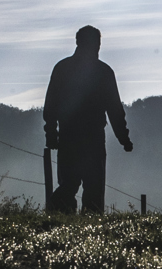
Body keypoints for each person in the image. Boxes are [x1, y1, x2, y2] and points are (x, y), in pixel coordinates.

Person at [44, 25, 134, 214]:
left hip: (69, 137)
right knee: (93, 188)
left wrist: (52, 134)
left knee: (68, 183)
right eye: (97, 43)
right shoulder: (103, 72)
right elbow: (114, 109)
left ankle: (57, 223)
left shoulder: (62, 68)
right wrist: (123, 138)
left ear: (77, 42)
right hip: (93, 139)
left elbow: (51, 105)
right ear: (96, 44)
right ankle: (90, 228)